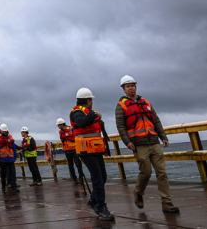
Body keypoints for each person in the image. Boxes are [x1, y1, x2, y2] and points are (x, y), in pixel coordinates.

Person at [115, 75, 179, 213]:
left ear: (136, 87)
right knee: (146, 172)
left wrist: (163, 137)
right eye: (128, 86)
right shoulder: (121, 106)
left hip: (154, 142)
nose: (131, 87)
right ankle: (138, 192)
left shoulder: (146, 102)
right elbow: (120, 126)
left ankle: (166, 202)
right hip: (139, 144)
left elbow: (156, 120)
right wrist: (127, 141)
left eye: (132, 85)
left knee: (162, 173)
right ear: (124, 89)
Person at [70, 88, 114, 221]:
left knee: (103, 177)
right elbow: (81, 123)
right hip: (85, 150)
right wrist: (94, 114)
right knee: (97, 179)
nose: (92, 103)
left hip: (95, 150)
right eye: (91, 100)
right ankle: (101, 207)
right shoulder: (77, 112)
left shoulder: (87, 112)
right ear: (88, 101)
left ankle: (93, 200)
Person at [57, 118, 84, 185]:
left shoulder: (71, 129)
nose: (58, 126)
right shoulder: (60, 132)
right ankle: (74, 179)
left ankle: (81, 178)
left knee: (78, 164)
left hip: (74, 149)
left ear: (61, 124)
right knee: (70, 165)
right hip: (66, 150)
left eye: (58, 125)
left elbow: (77, 137)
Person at [0, 124, 19, 193]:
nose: (4, 132)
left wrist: (15, 156)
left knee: (12, 173)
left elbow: (13, 147)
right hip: (2, 159)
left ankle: (14, 187)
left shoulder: (10, 136)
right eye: (3, 131)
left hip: (10, 158)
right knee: (3, 173)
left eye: (5, 131)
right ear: (0, 130)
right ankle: (3, 185)